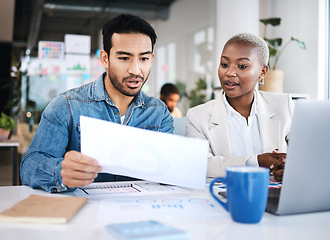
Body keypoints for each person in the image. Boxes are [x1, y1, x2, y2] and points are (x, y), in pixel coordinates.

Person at [20, 14, 174, 193]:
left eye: (144, 59)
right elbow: (29, 165)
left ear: (152, 59)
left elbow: (167, 171)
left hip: (143, 211)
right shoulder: (67, 106)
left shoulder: (159, 113)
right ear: (105, 59)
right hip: (83, 214)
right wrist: (59, 172)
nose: (135, 70)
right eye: (124, 58)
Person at [185, 33, 293, 182]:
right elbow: (200, 164)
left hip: (278, 199)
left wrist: (288, 167)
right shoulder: (198, 117)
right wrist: (257, 161)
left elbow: (305, 156)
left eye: (242, 66)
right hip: (224, 199)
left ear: (262, 72)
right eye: (224, 64)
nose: (229, 72)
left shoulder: (284, 106)